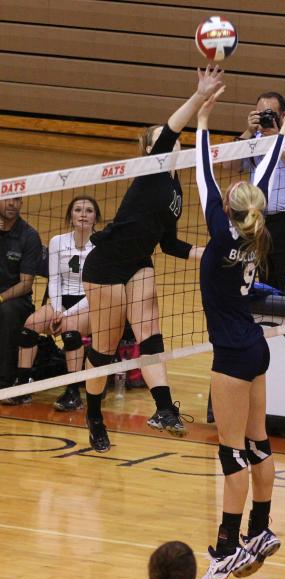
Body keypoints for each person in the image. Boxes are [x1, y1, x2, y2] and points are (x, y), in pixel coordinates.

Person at [195, 87, 285, 579]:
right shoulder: (254, 233)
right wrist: (283, 134)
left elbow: (204, 171)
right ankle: (261, 529)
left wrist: (202, 116)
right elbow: (264, 173)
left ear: (227, 204)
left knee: (232, 453)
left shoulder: (224, 234)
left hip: (231, 355)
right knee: (258, 442)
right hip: (255, 347)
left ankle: (227, 548)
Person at [81, 65, 224, 452]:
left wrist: (207, 252)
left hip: (139, 263)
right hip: (106, 265)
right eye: (164, 139)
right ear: (151, 148)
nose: (173, 141)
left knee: (151, 337)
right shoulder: (151, 169)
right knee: (105, 351)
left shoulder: (175, 187)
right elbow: (174, 127)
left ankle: (164, 409)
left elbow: (170, 244)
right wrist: (198, 96)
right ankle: (94, 414)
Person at [3, 196, 100, 409]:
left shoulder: (101, 246)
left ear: (95, 218)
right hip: (60, 301)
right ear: (70, 216)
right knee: (29, 326)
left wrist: (65, 315)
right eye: (77, 210)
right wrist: (57, 308)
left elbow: (95, 291)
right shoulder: (58, 242)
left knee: (70, 330)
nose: (83, 214)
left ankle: (73, 392)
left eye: (89, 210)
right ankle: (22, 386)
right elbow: (55, 280)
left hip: (90, 303)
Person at [227, 91, 285, 290]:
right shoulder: (254, 139)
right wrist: (247, 132)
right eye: (259, 114)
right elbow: (229, 165)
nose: (264, 119)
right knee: (268, 286)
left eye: (269, 113)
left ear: (284, 114)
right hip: (263, 224)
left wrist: (278, 140)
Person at [0, 196, 42, 391]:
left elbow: (25, 284)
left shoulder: (29, 236)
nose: (11, 204)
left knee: (7, 311)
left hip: (16, 299)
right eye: (6, 199)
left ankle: (5, 380)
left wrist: (0, 297)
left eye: (16, 200)